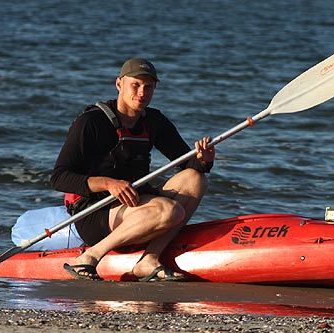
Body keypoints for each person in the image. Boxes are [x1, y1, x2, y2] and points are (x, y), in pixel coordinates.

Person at [51, 58, 215, 281]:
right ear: (119, 84)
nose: (142, 92)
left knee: (196, 179)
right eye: (135, 85)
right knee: (169, 211)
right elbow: (59, 177)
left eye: (148, 87)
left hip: (135, 202)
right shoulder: (91, 122)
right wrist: (108, 184)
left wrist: (203, 160)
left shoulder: (154, 121)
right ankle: (90, 256)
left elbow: (187, 164)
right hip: (94, 212)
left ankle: (149, 260)